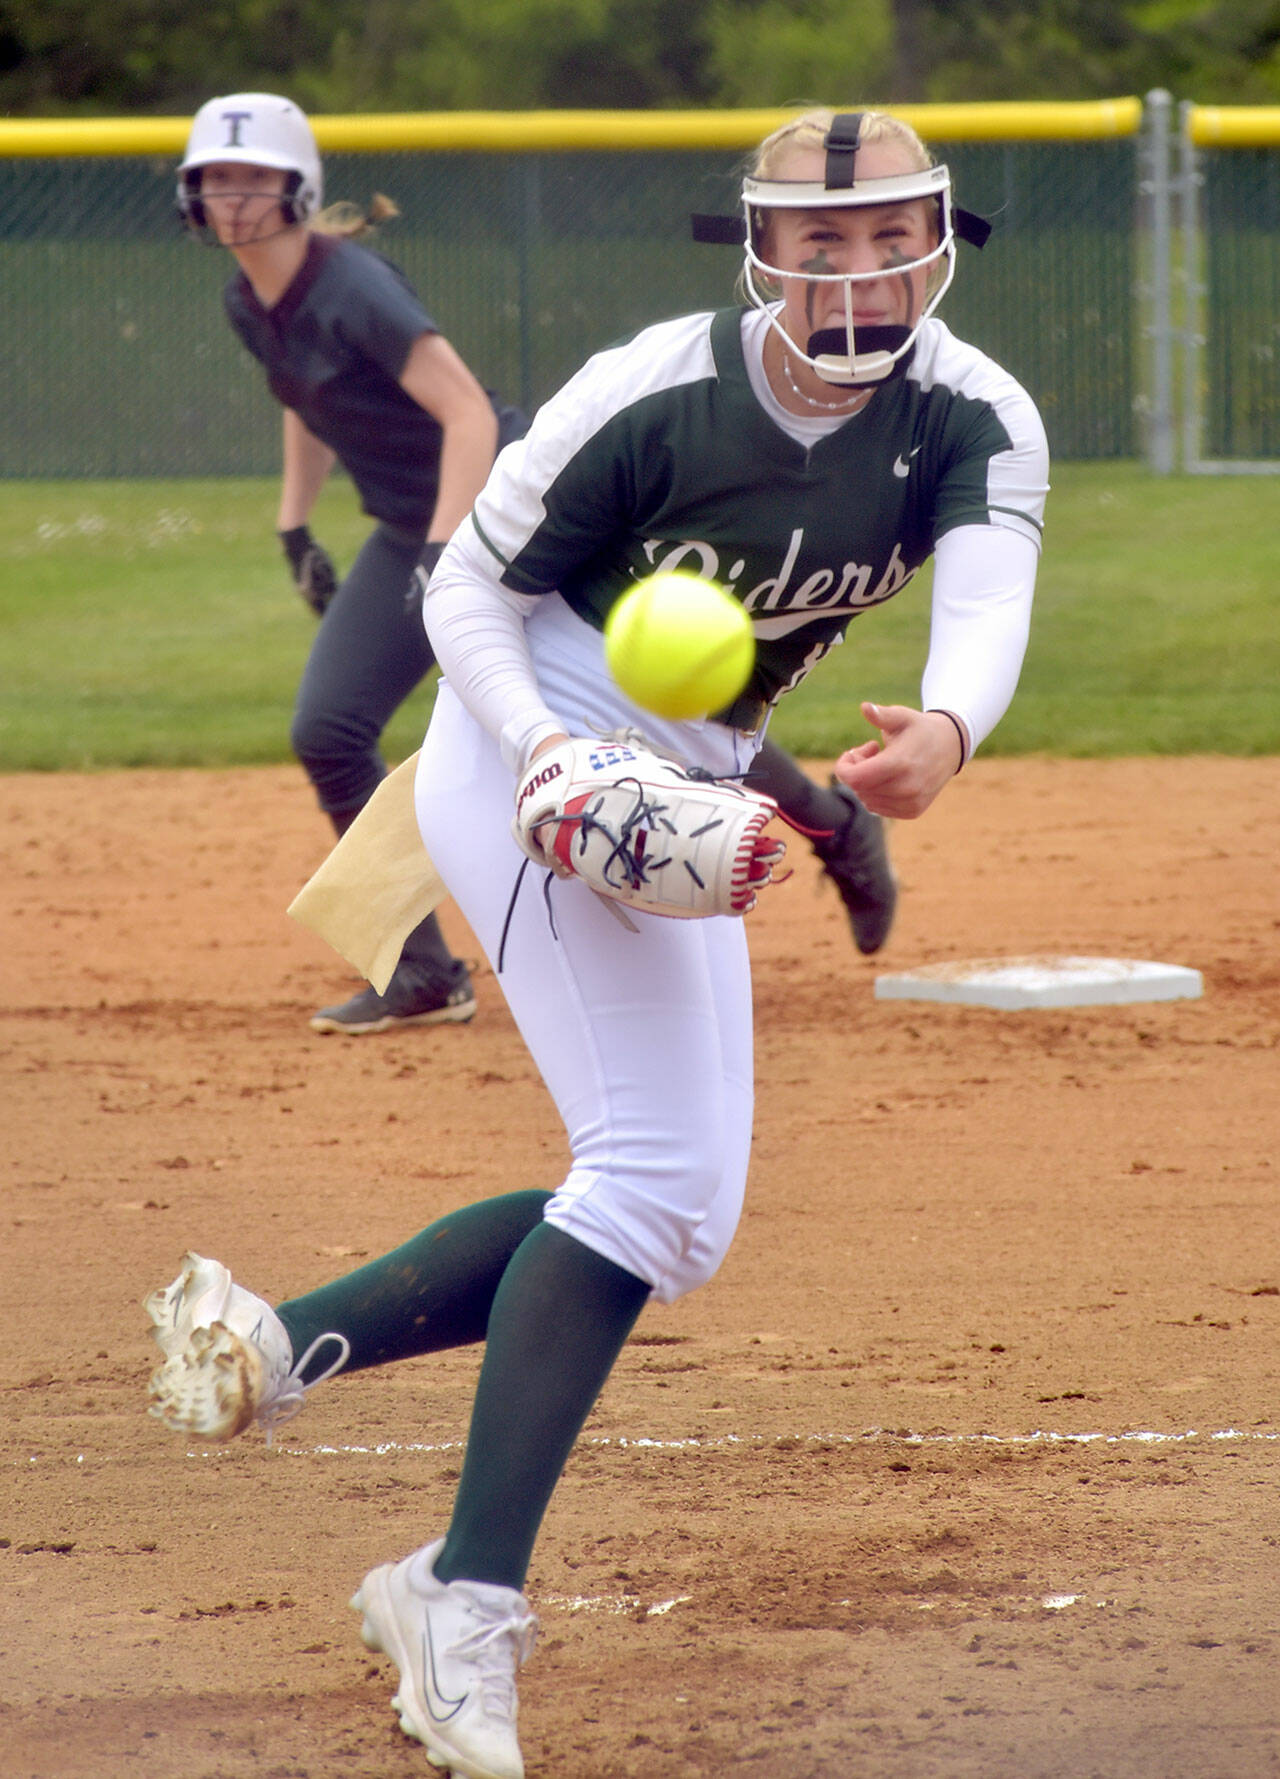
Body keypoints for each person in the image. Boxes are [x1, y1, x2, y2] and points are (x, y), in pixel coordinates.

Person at [147, 107, 1048, 1779]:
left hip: (686, 771)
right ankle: (458, 1597)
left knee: (675, 1211)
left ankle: (284, 1339)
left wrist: (946, 723)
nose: (853, 270)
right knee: (645, 1175)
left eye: (882, 235)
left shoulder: (973, 411)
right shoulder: (653, 386)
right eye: (818, 237)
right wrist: (542, 747)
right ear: (761, 247)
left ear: (938, 237)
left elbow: (987, 594)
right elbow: (465, 592)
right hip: (531, 751)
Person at [177, 91, 526, 1034]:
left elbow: (472, 417)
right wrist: (295, 527)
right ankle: (421, 973)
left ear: (297, 189)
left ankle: (830, 823)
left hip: (508, 508)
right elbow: (304, 401)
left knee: (635, 692)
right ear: (191, 194)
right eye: (216, 179)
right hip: (415, 524)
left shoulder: (354, 287)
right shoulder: (246, 297)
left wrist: (446, 553)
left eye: (254, 179)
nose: (234, 198)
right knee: (329, 727)